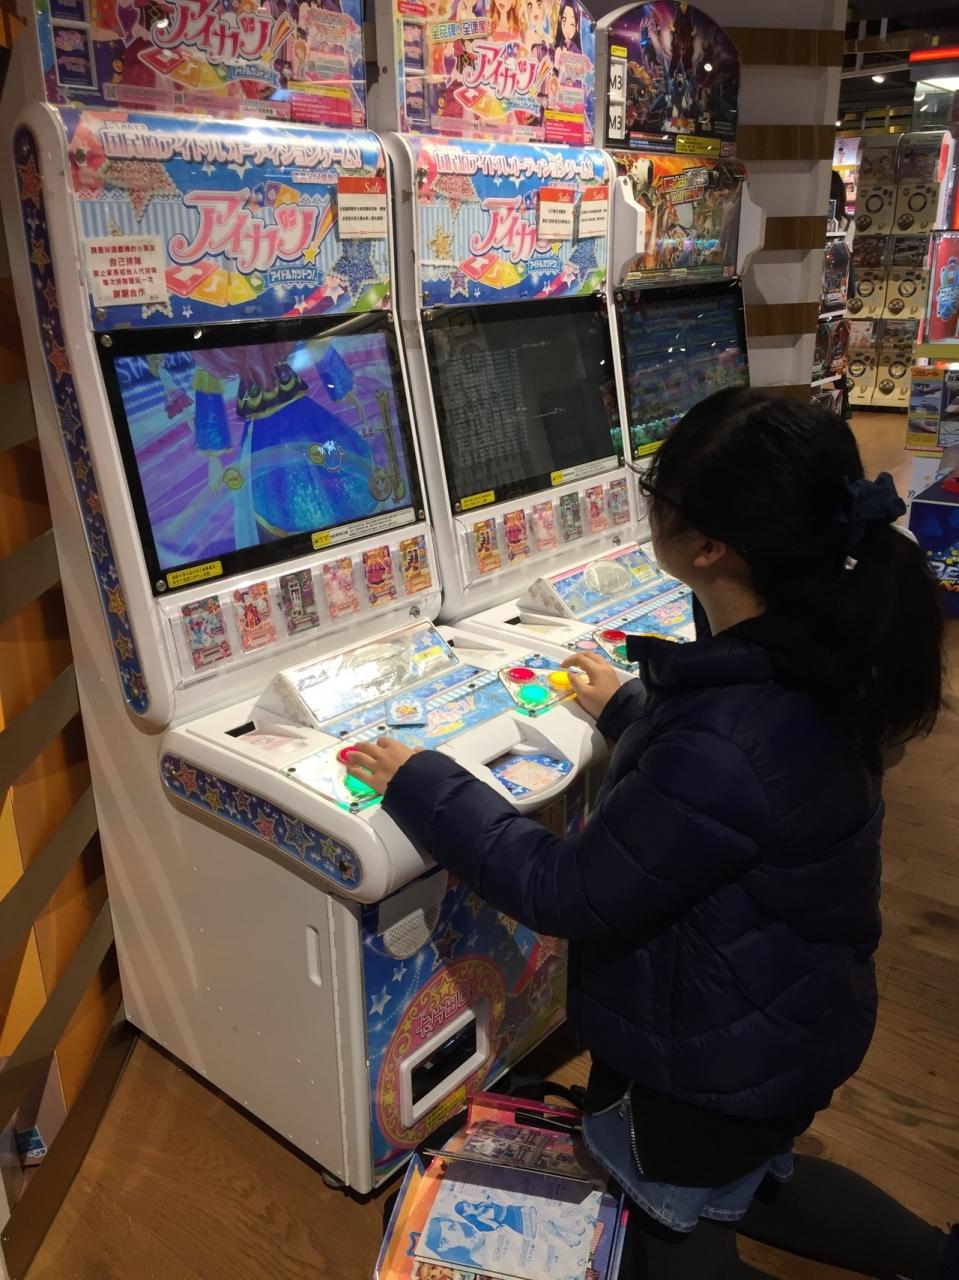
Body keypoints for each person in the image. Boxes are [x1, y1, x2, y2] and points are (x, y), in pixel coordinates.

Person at [348, 390, 955, 1278]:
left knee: (669, 1229)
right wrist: (633, 706)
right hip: (782, 1017)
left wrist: (425, 783)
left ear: (708, 547)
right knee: (756, 1177)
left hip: (704, 1061)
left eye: (657, 494)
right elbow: (728, 787)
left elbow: (563, 889)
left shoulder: (726, 735)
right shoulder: (813, 648)